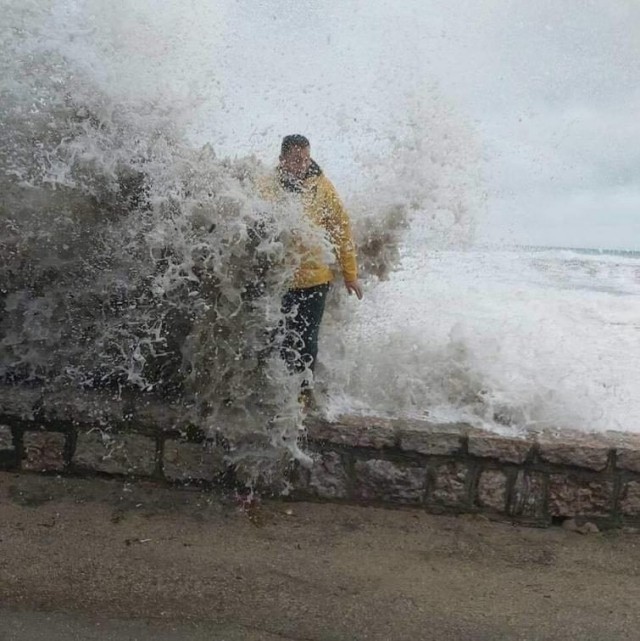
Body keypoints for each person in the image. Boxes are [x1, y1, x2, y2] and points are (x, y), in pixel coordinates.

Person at [259, 134, 363, 407]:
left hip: (316, 280)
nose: (302, 164)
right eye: (295, 159)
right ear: (283, 159)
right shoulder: (267, 186)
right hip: (281, 280)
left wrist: (350, 274)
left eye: (305, 158)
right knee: (279, 339)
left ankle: (304, 394)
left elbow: (341, 229)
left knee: (307, 340)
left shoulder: (322, 187)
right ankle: (279, 396)